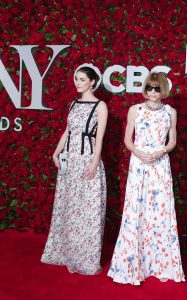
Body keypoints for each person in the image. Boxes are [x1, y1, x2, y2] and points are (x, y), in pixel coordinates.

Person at [108, 72, 185, 285]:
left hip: (160, 164)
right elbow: (127, 139)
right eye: (149, 87)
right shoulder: (135, 110)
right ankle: (133, 264)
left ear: (163, 90)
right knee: (136, 210)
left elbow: (172, 142)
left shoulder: (171, 112)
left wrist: (160, 152)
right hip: (139, 163)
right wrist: (137, 152)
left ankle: (160, 264)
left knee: (160, 211)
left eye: (156, 88)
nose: (152, 92)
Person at [41, 64, 108, 275]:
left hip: (88, 160)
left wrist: (94, 162)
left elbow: (99, 138)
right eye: (76, 79)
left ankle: (86, 259)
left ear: (92, 82)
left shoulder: (100, 106)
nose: (77, 83)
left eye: (81, 79)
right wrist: (55, 152)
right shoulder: (72, 104)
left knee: (87, 210)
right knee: (68, 208)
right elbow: (67, 132)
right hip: (69, 160)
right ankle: (65, 252)